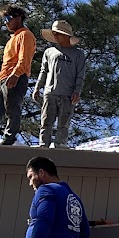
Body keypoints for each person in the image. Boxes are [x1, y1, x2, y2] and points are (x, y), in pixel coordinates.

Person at [0, 4, 36, 145]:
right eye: (4, 20)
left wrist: (16, 74)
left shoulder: (25, 35)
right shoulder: (12, 38)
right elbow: (6, 63)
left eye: (8, 18)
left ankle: (8, 139)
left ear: (18, 18)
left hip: (17, 77)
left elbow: (24, 59)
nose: (6, 22)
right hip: (3, 78)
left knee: (12, 108)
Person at [32, 19, 87, 148]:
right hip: (50, 92)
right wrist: (37, 87)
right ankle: (43, 144)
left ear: (67, 35)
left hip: (68, 94)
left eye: (58, 33)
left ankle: (60, 144)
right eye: (54, 34)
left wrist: (77, 91)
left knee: (64, 123)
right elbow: (44, 71)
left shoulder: (78, 54)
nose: (55, 36)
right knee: (46, 121)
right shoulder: (49, 52)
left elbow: (80, 75)